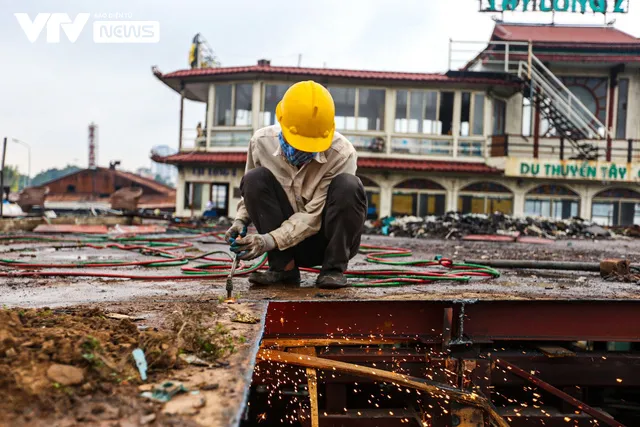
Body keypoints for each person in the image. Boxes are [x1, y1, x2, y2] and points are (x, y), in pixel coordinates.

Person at [224, 81, 367, 289]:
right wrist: (240, 221)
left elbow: (313, 216)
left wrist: (267, 241)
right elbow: (251, 194)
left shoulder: (342, 154)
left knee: (349, 186)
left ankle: (333, 269)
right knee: (254, 178)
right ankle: (284, 269)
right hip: (282, 247)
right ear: (281, 122)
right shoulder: (261, 142)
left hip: (324, 242)